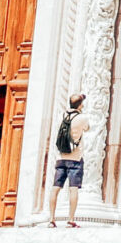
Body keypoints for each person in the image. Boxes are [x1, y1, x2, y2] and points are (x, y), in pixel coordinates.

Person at [45, 92, 91, 227]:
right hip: (75, 158)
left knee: (55, 188)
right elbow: (87, 129)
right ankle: (70, 220)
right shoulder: (82, 118)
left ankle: (51, 219)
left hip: (61, 158)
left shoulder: (61, 115)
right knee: (73, 189)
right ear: (80, 105)